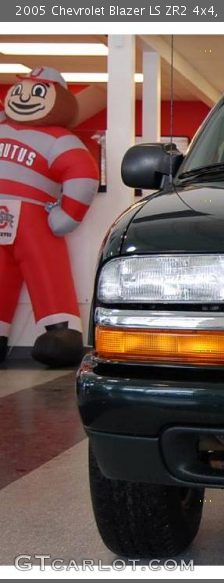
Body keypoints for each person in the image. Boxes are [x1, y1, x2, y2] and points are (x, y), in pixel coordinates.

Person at [0, 67, 99, 366]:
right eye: (22, 89)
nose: (26, 97)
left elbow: (84, 174)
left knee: (47, 270)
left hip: (34, 217)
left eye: (39, 91)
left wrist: (66, 214)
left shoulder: (60, 139)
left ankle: (61, 333)